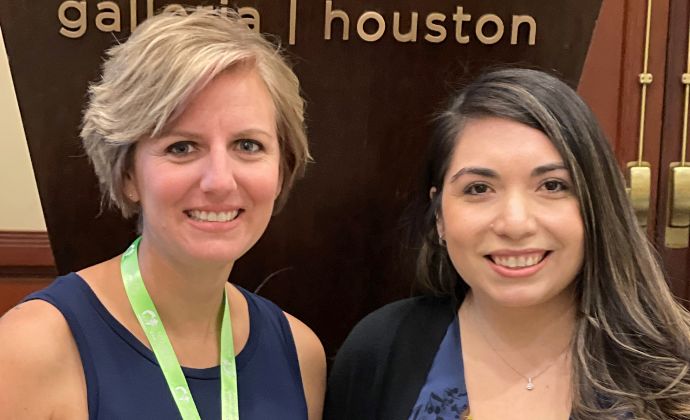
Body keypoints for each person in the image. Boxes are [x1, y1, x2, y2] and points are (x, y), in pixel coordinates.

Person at [0, 8, 325, 420]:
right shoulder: (31, 349)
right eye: (182, 147)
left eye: (247, 145)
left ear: (283, 169)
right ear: (129, 175)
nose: (220, 181)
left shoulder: (301, 356)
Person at [324, 68, 690, 419]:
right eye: (479, 189)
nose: (515, 224)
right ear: (439, 218)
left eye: (552, 186)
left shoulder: (676, 371)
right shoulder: (381, 350)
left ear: (597, 204)